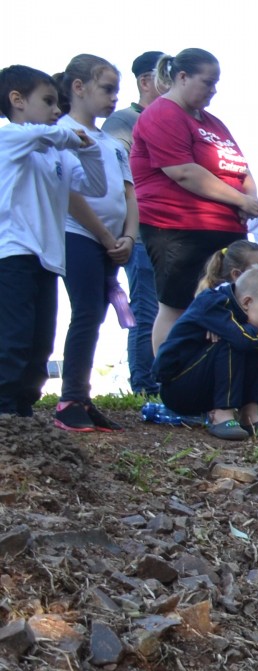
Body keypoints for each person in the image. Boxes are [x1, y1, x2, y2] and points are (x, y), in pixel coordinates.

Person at [129, 49, 258, 357]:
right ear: (182, 77)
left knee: (228, 306)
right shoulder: (163, 114)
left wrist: (249, 199)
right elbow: (184, 172)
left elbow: (240, 167)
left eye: (216, 83)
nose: (213, 91)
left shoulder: (213, 123)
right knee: (177, 305)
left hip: (226, 229)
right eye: (208, 82)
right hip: (178, 228)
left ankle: (214, 382)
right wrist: (239, 199)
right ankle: (169, 379)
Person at [0, 65, 107, 419]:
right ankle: (4, 408)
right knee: (13, 337)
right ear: (16, 101)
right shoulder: (11, 138)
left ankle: (22, 407)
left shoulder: (55, 152)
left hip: (47, 258)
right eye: (48, 102)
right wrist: (72, 134)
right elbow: (56, 136)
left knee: (40, 342)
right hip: (12, 253)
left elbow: (94, 186)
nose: (56, 111)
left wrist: (89, 150)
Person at [52, 54, 137, 433]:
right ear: (78, 87)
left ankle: (83, 399)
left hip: (114, 241)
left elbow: (128, 193)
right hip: (79, 234)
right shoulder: (61, 133)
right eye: (107, 89)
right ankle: (70, 397)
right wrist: (105, 237)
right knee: (86, 312)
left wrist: (129, 236)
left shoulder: (113, 143)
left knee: (98, 315)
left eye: (117, 90)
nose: (114, 98)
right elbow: (70, 192)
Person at [153, 264, 258, 441]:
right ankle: (222, 415)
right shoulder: (212, 303)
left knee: (249, 342)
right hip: (178, 388)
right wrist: (235, 333)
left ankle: (250, 417)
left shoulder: (241, 316)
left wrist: (235, 330)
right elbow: (242, 340)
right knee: (236, 342)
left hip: (203, 391)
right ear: (247, 302)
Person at [106, 51, 163, 396]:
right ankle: (144, 385)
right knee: (147, 310)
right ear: (145, 81)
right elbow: (120, 179)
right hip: (140, 236)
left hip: (175, 237)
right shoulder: (122, 121)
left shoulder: (183, 120)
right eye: (167, 77)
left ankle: (166, 383)